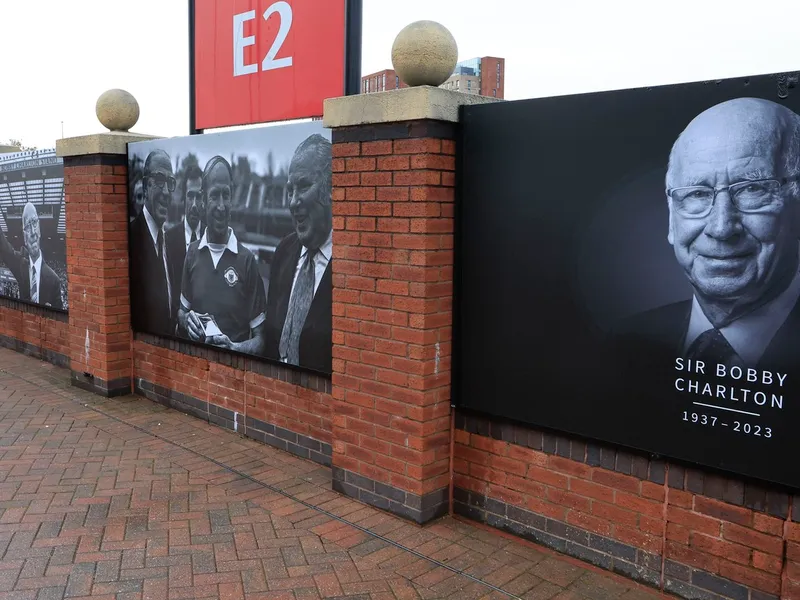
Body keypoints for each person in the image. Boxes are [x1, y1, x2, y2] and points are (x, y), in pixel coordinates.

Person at [615, 98, 800, 370]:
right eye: (697, 194)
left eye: (752, 189)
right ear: (671, 218)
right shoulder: (624, 344)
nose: (721, 228)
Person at [177, 156, 267, 354]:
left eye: (226, 195)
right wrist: (187, 321)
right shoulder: (192, 253)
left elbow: (261, 341)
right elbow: (181, 313)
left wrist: (233, 348)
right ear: (203, 199)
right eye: (214, 195)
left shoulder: (247, 261)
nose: (221, 205)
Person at [262, 134, 333, 373]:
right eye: (290, 190)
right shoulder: (283, 252)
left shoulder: (352, 262)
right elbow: (270, 338)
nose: (293, 202)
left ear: (331, 188)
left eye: (303, 187)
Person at [129, 149, 175, 336]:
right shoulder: (131, 238)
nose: (165, 191)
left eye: (170, 183)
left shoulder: (168, 242)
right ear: (145, 186)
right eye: (159, 180)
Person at [0, 202, 62, 309]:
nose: (33, 232)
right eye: (28, 227)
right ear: (24, 237)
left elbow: (60, 317)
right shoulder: (20, 264)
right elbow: (4, 249)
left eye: (34, 223)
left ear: (39, 229)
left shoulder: (54, 280)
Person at [166, 164, 205, 325]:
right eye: (190, 196)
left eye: (199, 196)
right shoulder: (169, 239)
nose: (194, 204)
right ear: (183, 198)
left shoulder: (213, 236)